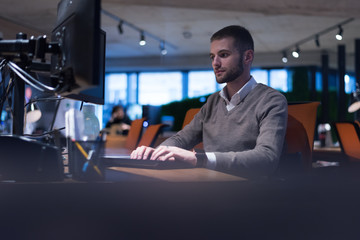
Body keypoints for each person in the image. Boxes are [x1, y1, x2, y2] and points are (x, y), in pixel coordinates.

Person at [131, 25, 288, 177]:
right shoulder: (213, 101)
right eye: (213, 57)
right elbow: (181, 139)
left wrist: (199, 159)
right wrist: (157, 152)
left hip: (246, 192)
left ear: (247, 57)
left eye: (224, 55)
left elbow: (267, 158)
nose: (215, 63)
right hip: (207, 186)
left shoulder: (271, 100)